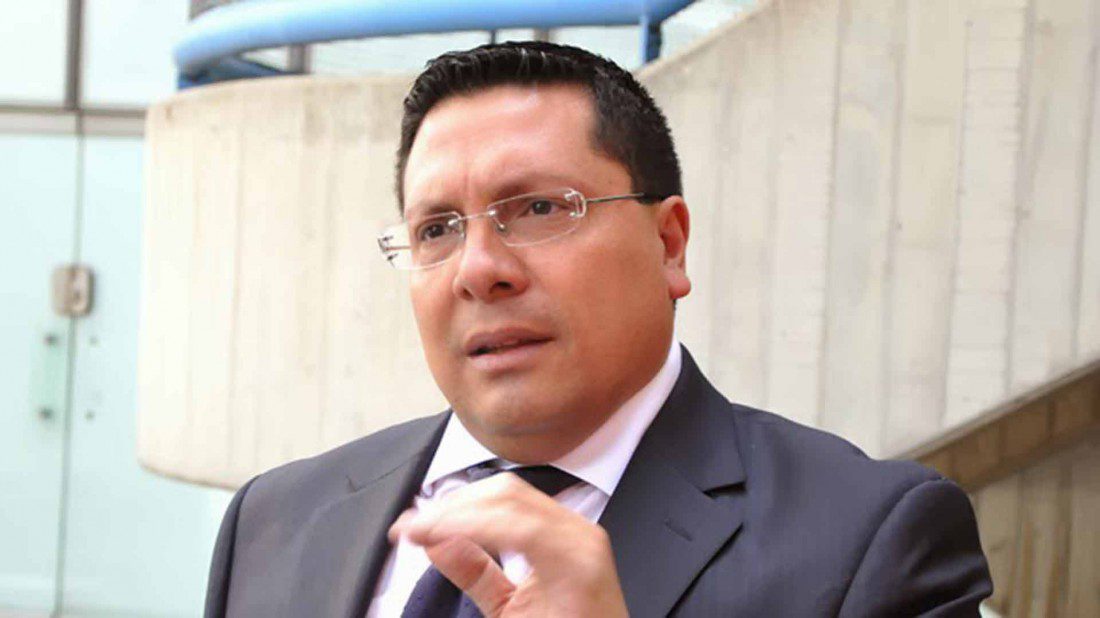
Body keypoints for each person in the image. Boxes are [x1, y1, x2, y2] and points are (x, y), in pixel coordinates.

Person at [204, 41, 992, 617]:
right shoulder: (275, 522)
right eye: (437, 228)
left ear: (669, 243)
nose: (479, 269)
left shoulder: (870, 542)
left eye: (539, 209)